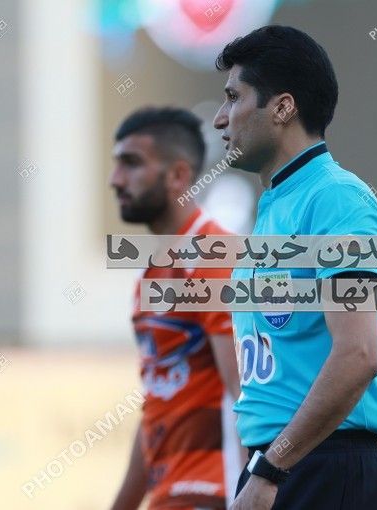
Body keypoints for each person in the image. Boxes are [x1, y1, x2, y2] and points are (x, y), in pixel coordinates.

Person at [212, 26, 377, 510]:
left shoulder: (336, 199)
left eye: (233, 97)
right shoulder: (276, 207)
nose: (219, 118)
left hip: (320, 466)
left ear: (282, 108)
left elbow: (359, 354)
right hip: (282, 464)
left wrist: (271, 469)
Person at [109, 106, 243, 510]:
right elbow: (157, 405)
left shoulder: (214, 257)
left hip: (214, 494)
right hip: (171, 496)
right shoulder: (149, 275)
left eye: (131, 163)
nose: (115, 180)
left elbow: (247, 394)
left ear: (178, 176)